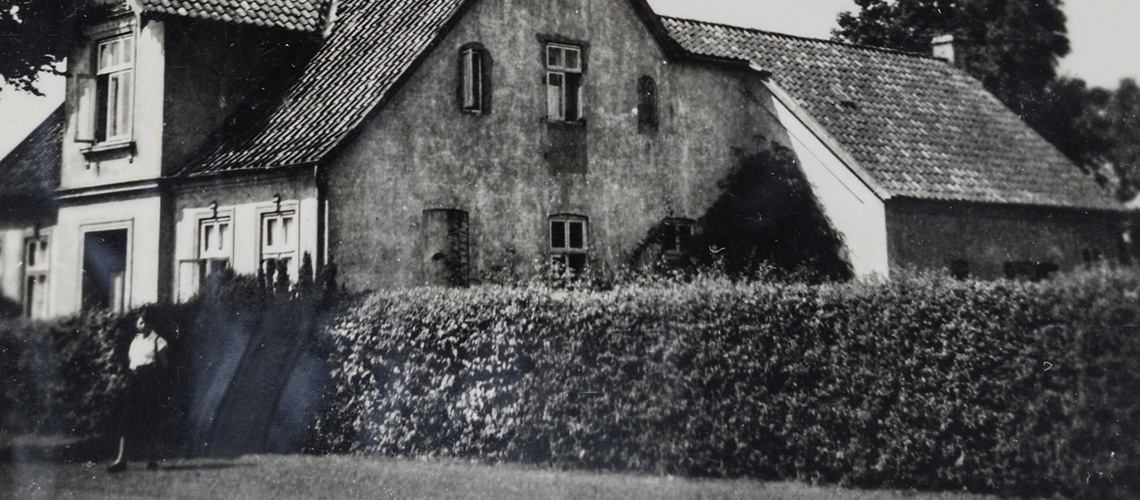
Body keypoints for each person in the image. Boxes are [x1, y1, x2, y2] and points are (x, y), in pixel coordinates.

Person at [107, 313, 169, 473]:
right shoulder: (135, 341)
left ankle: (152, 461)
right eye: (141, 322)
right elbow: (131, 361)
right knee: (126, 419)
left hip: (149, 384)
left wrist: (154, 379)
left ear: (152, 324)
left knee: (150, 421)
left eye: (146, 323)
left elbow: (164, 366)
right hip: (134, 382)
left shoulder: (159, 342)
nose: (143, 326)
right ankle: (121, 460)